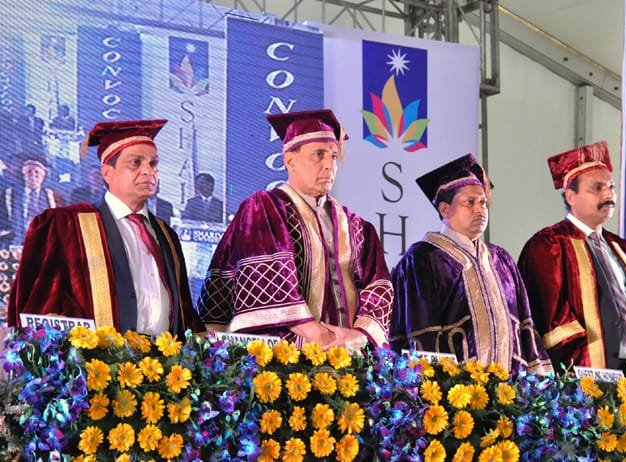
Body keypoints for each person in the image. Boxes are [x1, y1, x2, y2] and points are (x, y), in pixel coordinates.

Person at [198, 109, 392, 348]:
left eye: (333, 156)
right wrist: (317, 334)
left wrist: (360, 335)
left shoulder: (357, 226)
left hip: (349, 360)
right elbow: (269, 277)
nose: (329, 165)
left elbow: (378, 285)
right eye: (318, 155)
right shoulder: (265, 209)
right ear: (289, 160)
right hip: (287, 356)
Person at [7, 119, 204, 337]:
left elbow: (184, 310)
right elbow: (40, 305)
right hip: (94, 364)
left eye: (153, 164)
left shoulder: (166, 235)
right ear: (107, 172)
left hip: (163, 363)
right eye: (135, 163)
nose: (149, 171)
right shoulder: (66, 225)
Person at [390, 154, 552, 373]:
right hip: (455, 395)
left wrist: (539, 382)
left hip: (510, 393)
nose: (480, 209)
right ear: (444, 209)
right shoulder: (423, 259)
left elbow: (525, 326)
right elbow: (419, 331)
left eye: (483, 202)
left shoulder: (501, 260)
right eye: (470, 202)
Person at [517, 141, 626, 379]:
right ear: (571, 195)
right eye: (597, 188)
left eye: (611, 187)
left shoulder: (624, 249)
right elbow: (550, 315)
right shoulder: (549, 244)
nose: (609, 195)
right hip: (580, 375)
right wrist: (585, 365)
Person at [2, 153, 64, 245]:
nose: (33, 175)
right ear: (23, 175)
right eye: (29, 171)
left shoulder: (54, 196)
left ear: (43, 177)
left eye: (37, 172)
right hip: (17, 243)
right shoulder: (9, 195)